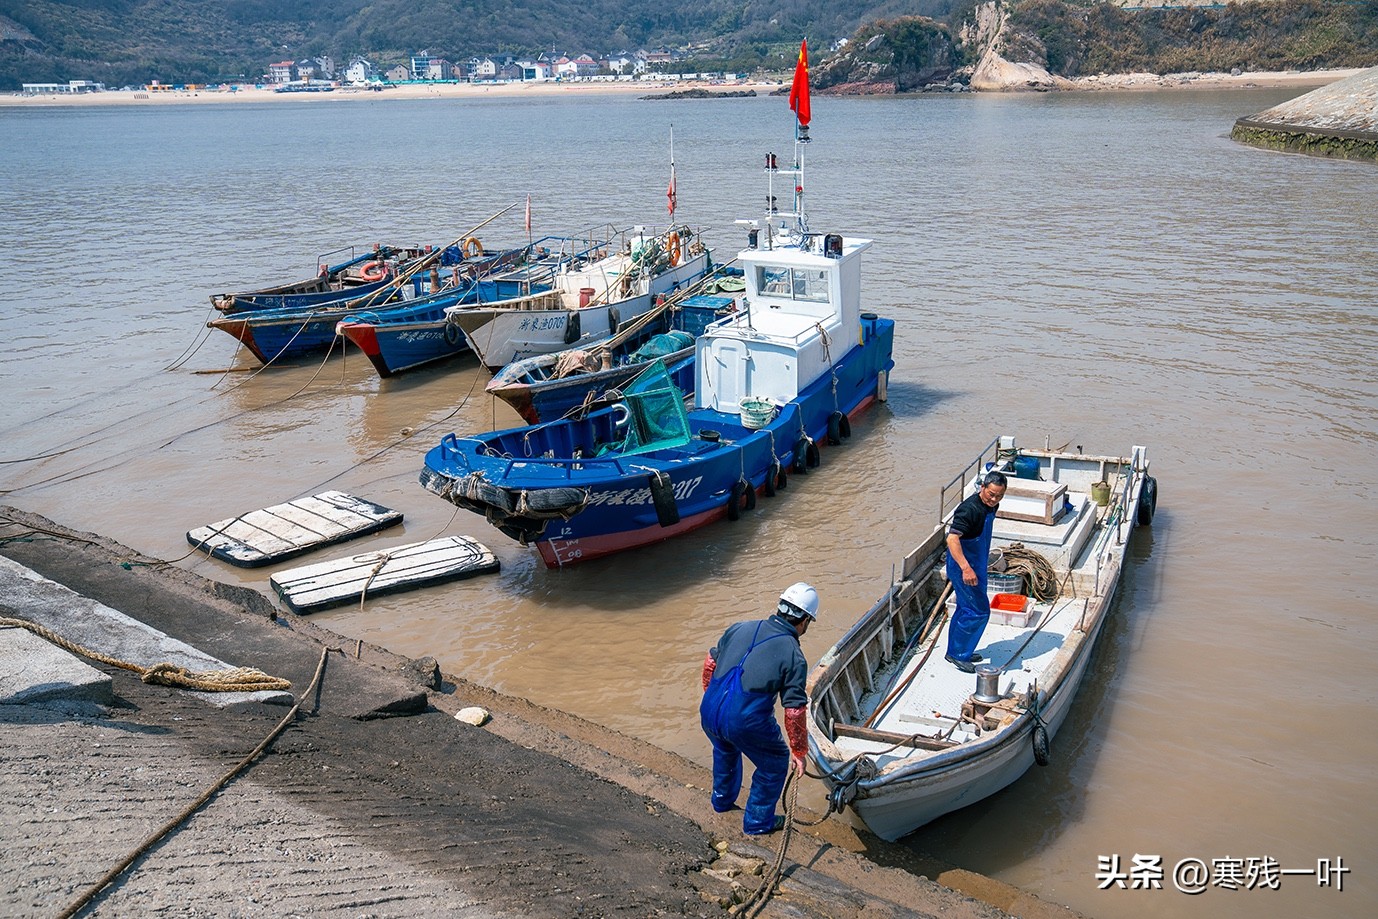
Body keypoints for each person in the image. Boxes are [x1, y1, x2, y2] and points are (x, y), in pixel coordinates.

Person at [699, 582, 816, 835]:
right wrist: (798, 751)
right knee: (773, 762)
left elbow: (710, 663)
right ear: (805, 620)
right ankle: (757, 822)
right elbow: (794, 710)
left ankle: (721, 802)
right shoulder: (794, 654)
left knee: (724, 748)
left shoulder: (740, 627)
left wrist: (714, 700)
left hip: (709, 710)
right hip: (744, 720)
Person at [945, 471, 1007, 673]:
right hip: (965, 567)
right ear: (982, 487)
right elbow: (952, 539)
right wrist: (966, 568)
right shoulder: (969, 510)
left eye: (999, 495)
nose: (994, 499)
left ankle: (956, 649)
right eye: (990, 494)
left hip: (976, 564)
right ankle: (958, 654)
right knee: (978, 610)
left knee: (965, 608)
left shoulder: (991, 506)